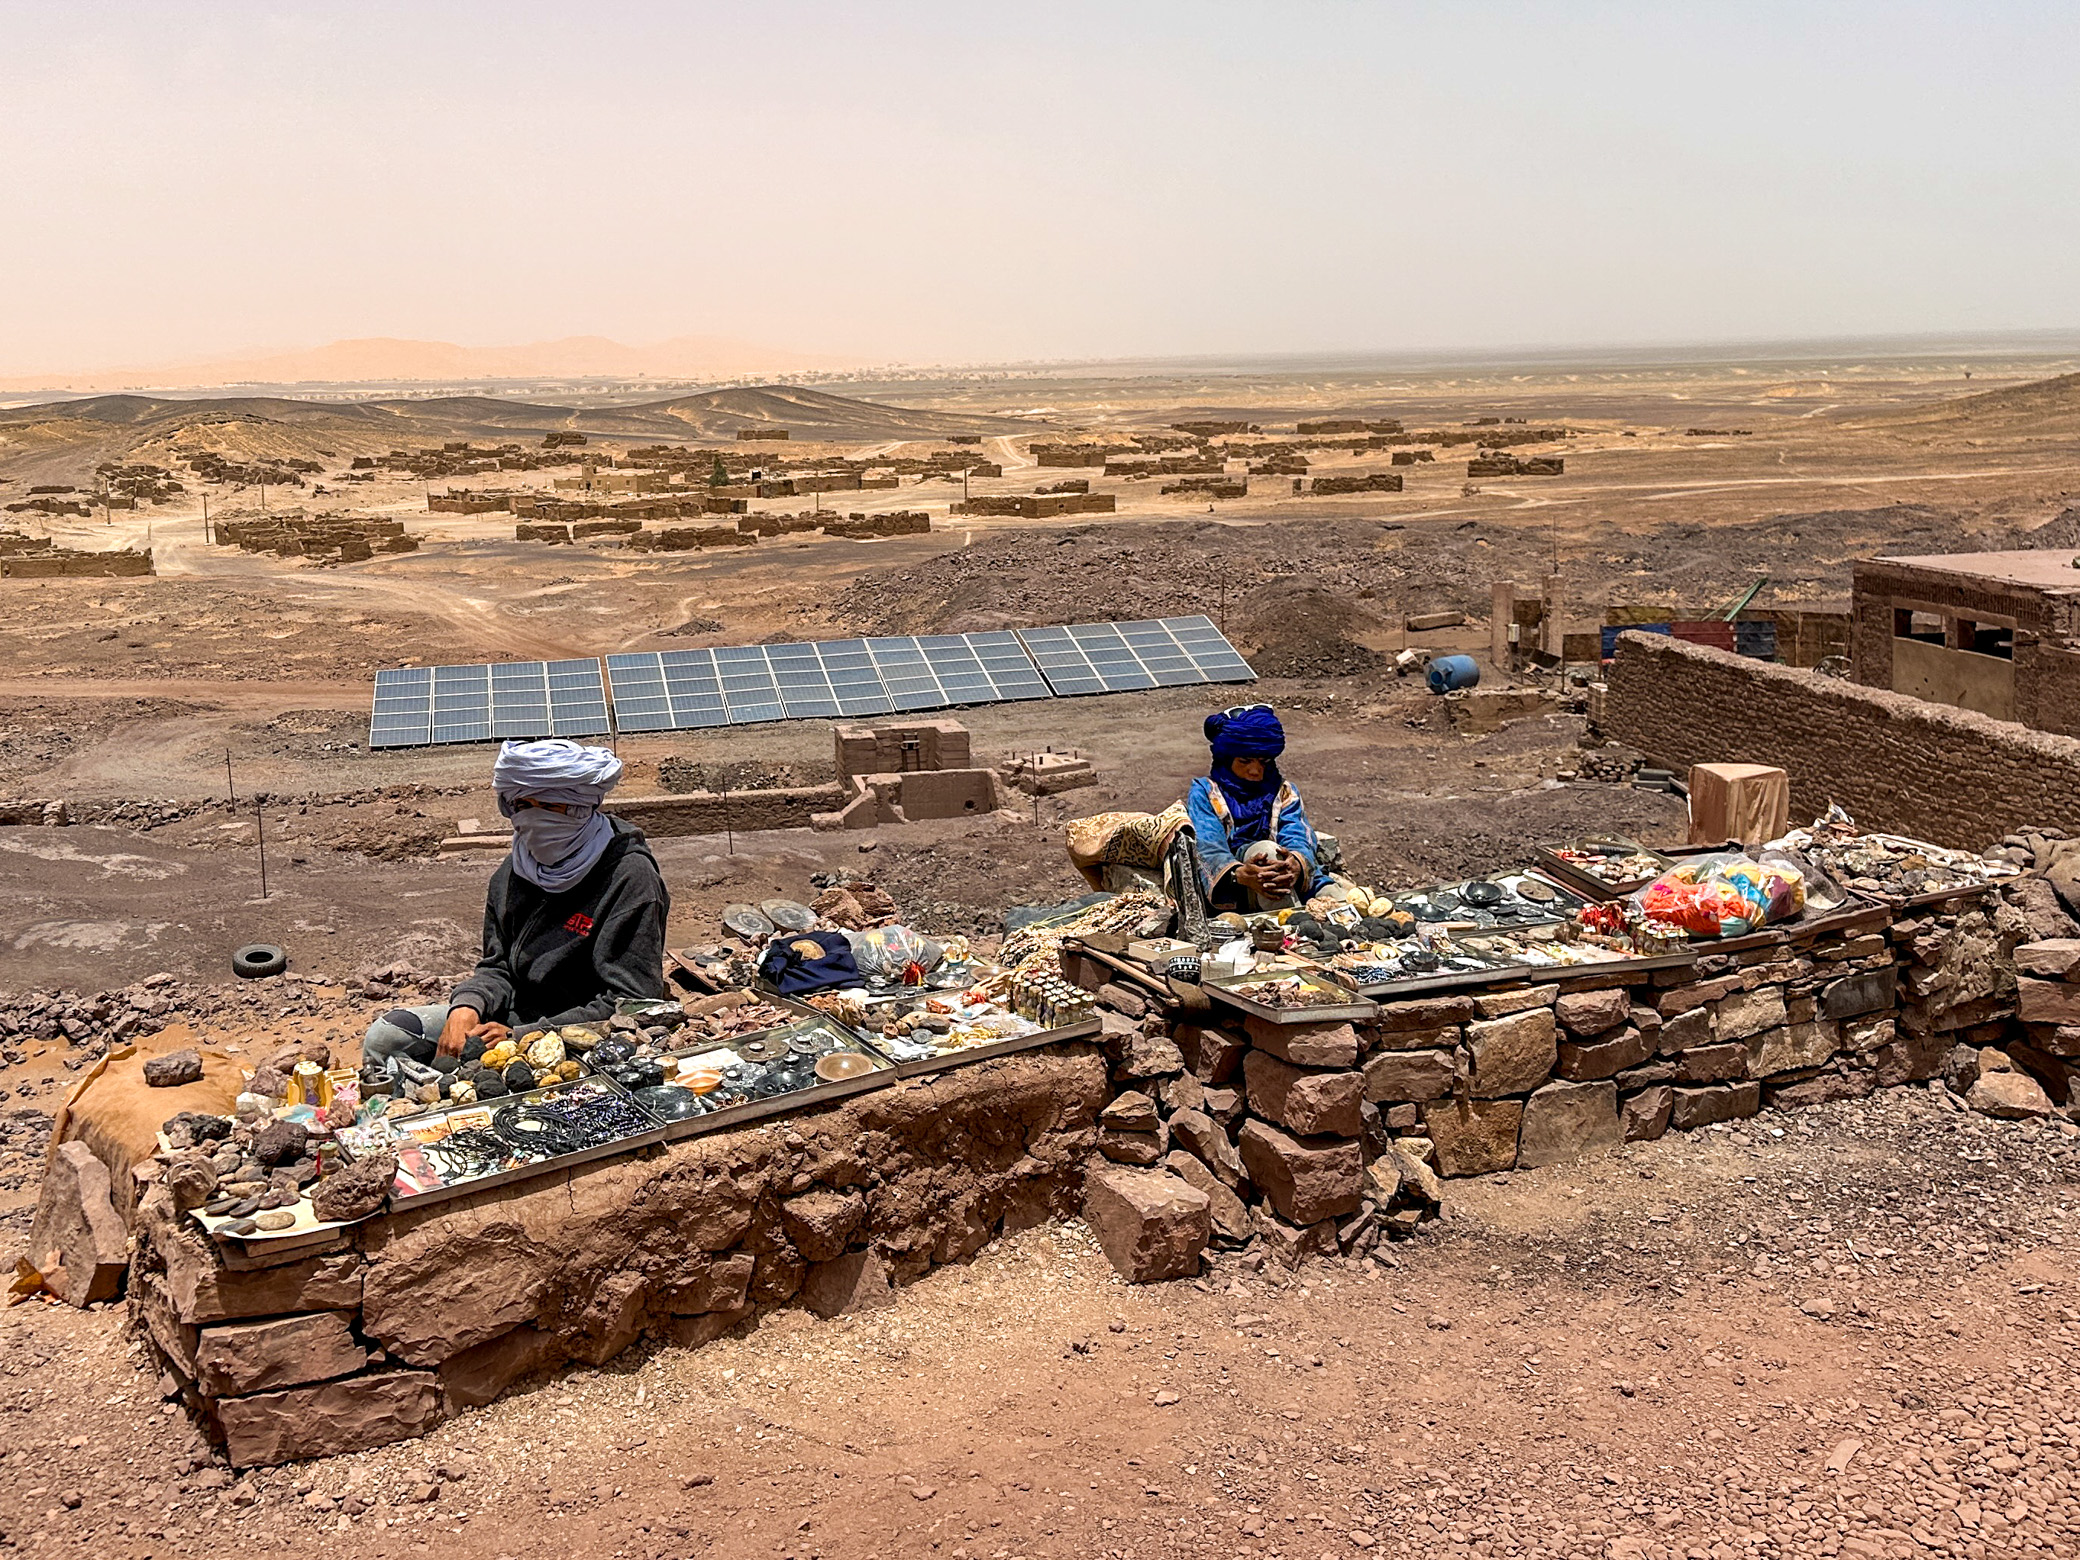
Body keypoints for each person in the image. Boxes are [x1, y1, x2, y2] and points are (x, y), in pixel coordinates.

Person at [361, 738, 671, 1075]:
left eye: (549, 807)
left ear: (581, 807)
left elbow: (634, 1001)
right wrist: (468, 1005)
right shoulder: (513, 873)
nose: (533, 820)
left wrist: (524, 1036)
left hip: (581, 1033)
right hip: (512, 1016)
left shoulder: (629, 878)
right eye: (523, 805)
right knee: (387, 1036)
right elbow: (497, 966)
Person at [1185, 704, 1320, 912]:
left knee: (1340, 902)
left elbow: (1297, 834)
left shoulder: (1283, 791)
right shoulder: (1205, 793)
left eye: (1264, 761)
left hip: (1287, 877)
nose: (1256, 770)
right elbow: (1208, 846)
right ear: (1226, 759)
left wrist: (1296, 864)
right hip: (1236, 887)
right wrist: (1239, 873)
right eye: (1245, 761)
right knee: (1267, 852)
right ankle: (1291, 929)